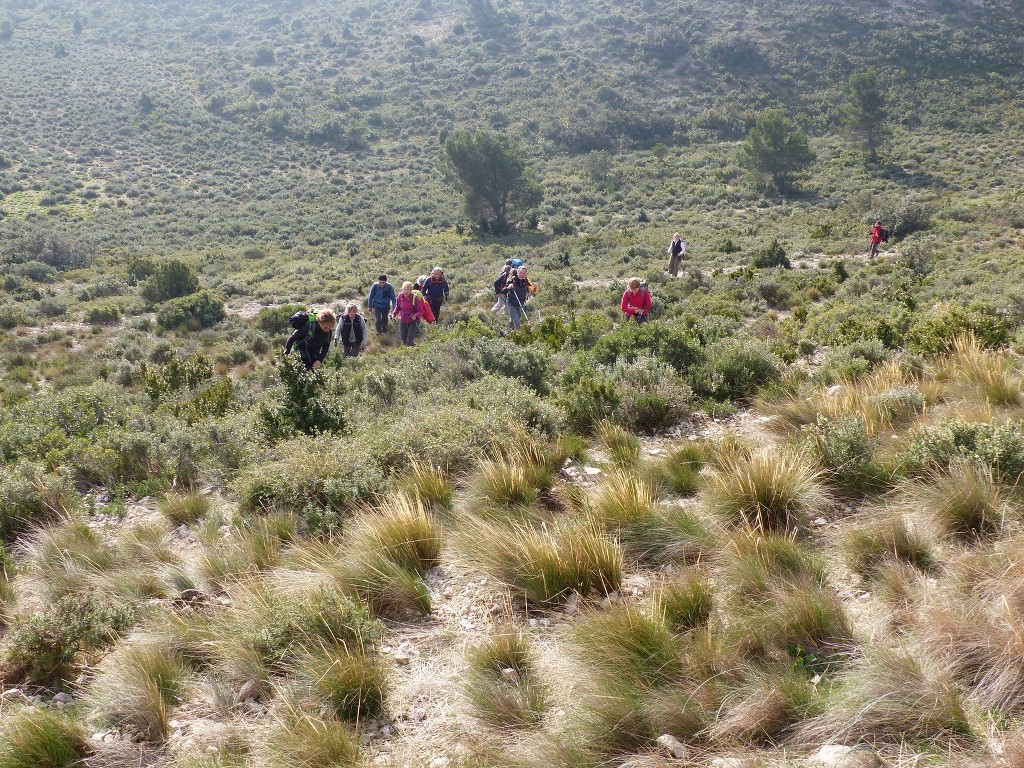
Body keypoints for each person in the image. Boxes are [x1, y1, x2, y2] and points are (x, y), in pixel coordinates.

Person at [503, 266, 537, 330]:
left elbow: (533, 291)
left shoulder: (526, 280)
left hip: (520, 304)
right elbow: (503, 290)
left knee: (516, 318)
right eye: (520, 273)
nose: (522, 275)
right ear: (517, 272)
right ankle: (519, 334)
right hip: (511, 303)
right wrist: (509, 287)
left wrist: (535, 287)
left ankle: (509, 329)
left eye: (524, 273)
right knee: (517, 322)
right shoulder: (512, 280)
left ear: (526, 274)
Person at [392, 281, 425, 346]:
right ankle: (410, 350)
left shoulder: (415, 298)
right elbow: (398, 307)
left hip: (413, 321)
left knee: (409, 340)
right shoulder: (400, 296)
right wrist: (393, 314)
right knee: (403, 339)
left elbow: (421, 311)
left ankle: (411, 351)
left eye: (407, 289)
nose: (406, 291)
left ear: (411, 290)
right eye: (404, 289)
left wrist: (416, 315)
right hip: (403, 320)